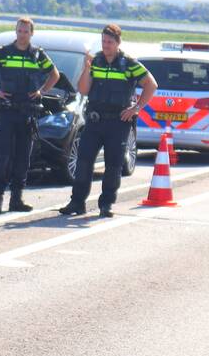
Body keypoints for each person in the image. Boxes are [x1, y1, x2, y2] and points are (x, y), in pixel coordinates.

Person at [59, 24, 158, 218]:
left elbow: (151, 85)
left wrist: (136, 108)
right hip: (95, 121)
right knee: (84, 162)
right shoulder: (95, 61)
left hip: (118, 122)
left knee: (113, 165)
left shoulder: (129, 63)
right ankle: (77, 202)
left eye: (110, 42)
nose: (106, 45)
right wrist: (87, 68)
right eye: (103, 41)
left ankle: (106, 204)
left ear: (118, 43)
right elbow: (84, 89)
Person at [0, 17, 60, 214]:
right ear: (16, 31)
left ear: (31, 33)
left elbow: (54, 75)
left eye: (26, 31)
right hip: (7, 112)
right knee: (2, 157)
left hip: (28, 113)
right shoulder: (4, 52)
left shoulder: (38, 55)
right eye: (19, 31)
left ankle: (17, 199)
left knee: (23, 158)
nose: (22, 34)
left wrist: (42, 91)